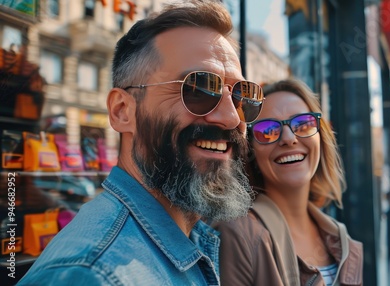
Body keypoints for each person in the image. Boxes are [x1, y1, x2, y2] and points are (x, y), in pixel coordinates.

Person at [19, 1, 263, 284]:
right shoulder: (92, 275)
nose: (232, 118)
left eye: (242, 95)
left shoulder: (192, 235)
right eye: (198, 88)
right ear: (122, 111)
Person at [214, 79, 363, 286]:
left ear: (320, 137)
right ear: (251, 151)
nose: (288, 138)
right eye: (267, 130)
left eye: (302, 124)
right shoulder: (239, 234)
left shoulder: (341, 239)